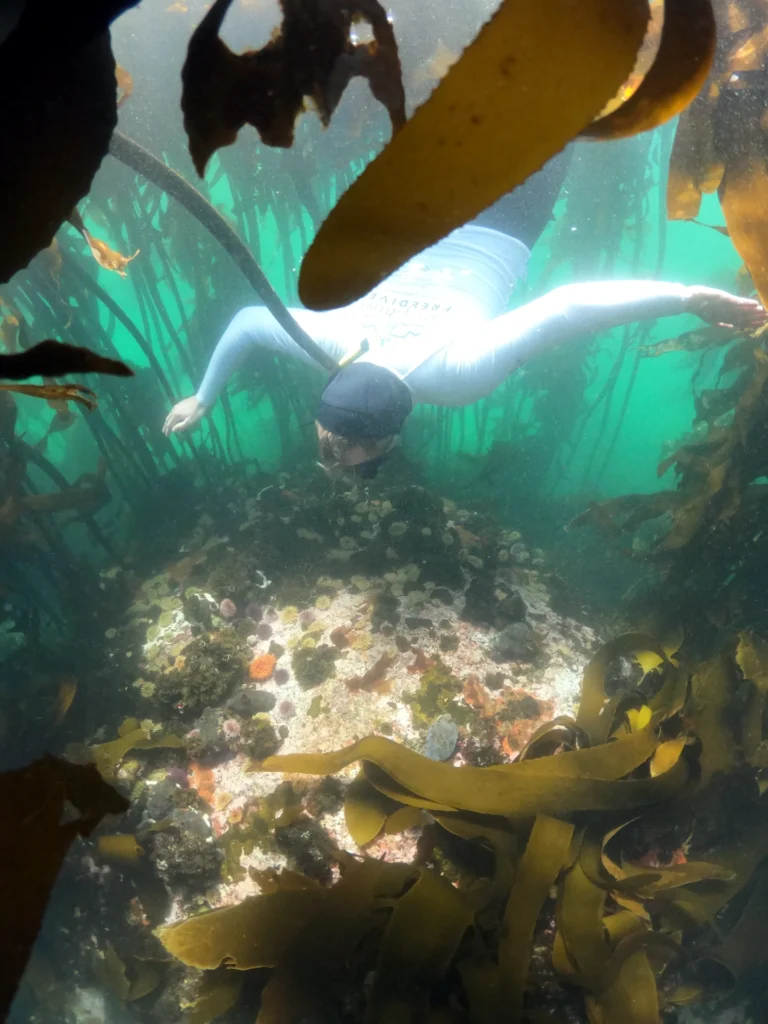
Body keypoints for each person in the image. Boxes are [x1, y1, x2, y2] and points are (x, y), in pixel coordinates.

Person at [163, 154, 767, 478]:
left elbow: (567, 308)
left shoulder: (456, 379)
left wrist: (687, 297)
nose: (343, 464)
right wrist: (204, 398)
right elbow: (247, 320)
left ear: (396, 433)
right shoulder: (327, 342)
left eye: (344, 457)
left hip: (508, 218)